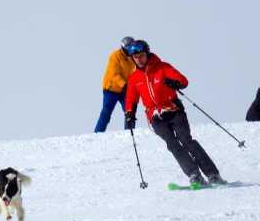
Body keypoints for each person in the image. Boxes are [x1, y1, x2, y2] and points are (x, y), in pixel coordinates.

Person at [123, 40, 226, 188]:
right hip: (155, 117)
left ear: (147, 54)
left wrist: (176, 83)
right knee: (172, 144)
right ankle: (194, 175)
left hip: (174, 110)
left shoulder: (163, 67)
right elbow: (131, 99)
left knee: (186, 140)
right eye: (135, 57)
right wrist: (129, 113)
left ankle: (213, 174)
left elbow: (183, 80)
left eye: (141, 55)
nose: (139, 59)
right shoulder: (134, 78)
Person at [94, 37, 136, 132]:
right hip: (111, 89)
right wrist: (124, 85)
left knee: (130, 111)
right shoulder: (115, 56)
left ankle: (129, 132)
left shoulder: (132, 58)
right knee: (106, 112)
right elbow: (114, 74)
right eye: (130, 48)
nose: (131, 50)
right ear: (124, 47)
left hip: (123, 89)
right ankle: (98, 133)